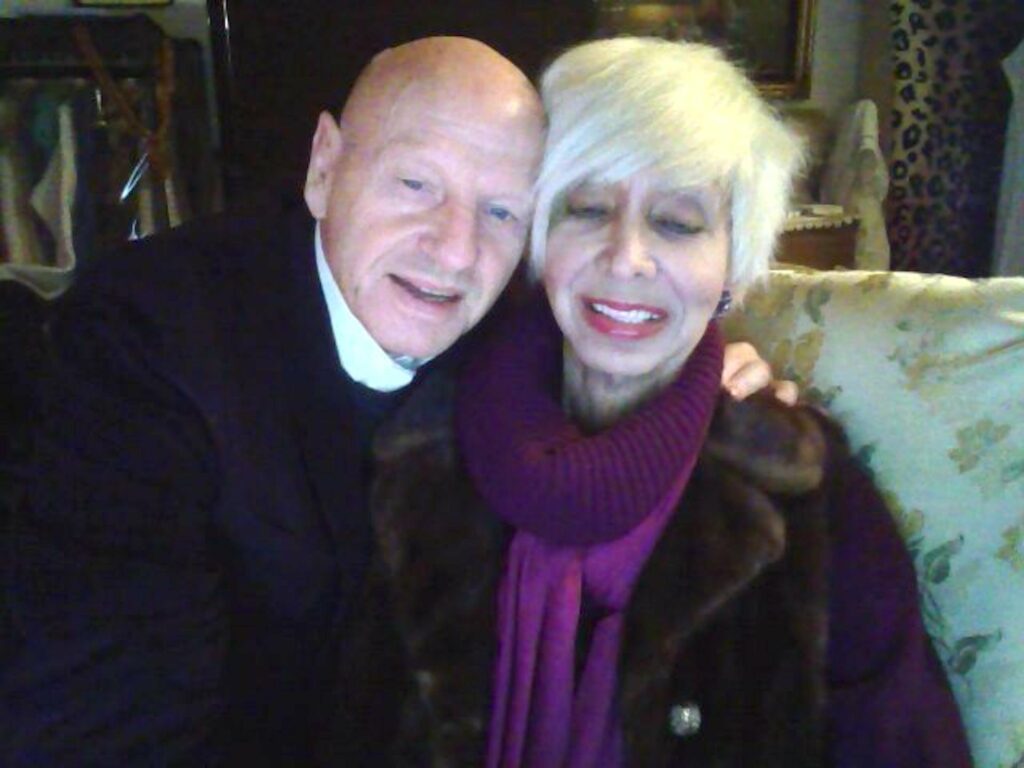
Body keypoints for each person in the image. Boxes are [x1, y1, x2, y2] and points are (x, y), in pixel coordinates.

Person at [0, 37, 782, 765]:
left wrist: (704, 380)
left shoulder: (515, 342)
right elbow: (105, 720)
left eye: (502, 211)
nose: (454, 250)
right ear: (324, 168)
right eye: (415, 185)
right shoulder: (145, 345)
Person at [332, 38, 972, 766]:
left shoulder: (807, 494)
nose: (626, 257)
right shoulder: (422, 439)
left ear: (731, 267)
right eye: (588, 208)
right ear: (538, 236)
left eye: (676, 223)